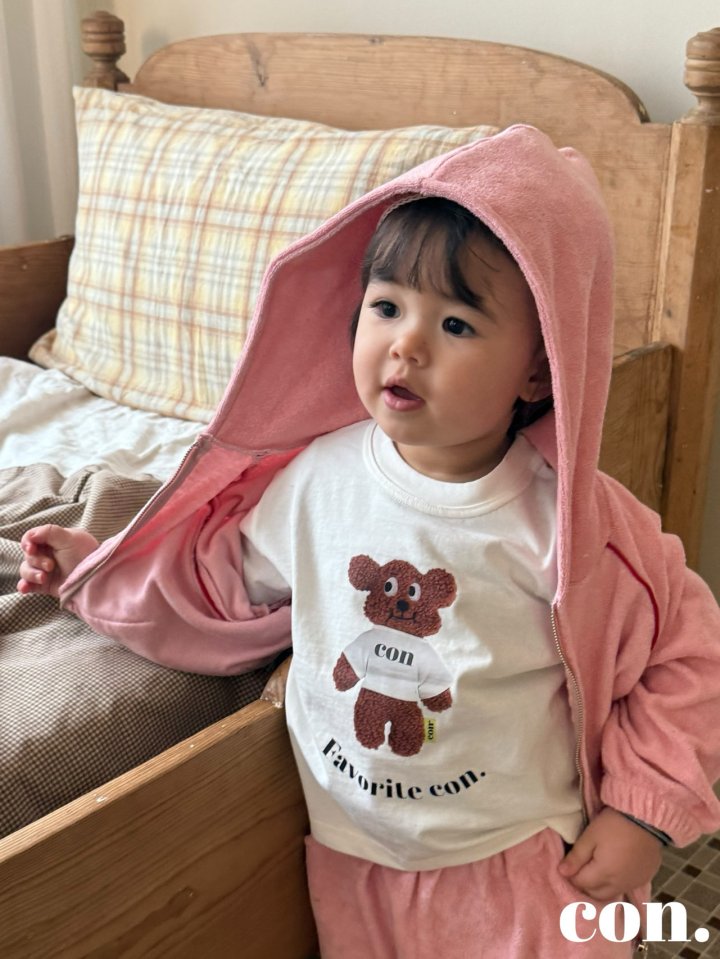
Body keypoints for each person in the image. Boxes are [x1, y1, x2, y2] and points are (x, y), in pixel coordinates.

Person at [18, 126, 720, 957]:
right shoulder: (316, 478)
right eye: (386, 306)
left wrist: (642, 810)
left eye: (456, 324)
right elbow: (223, 583)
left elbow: (691, 652)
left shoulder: (570, 526)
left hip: (521, 865)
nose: (406, 344)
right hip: (354, 858)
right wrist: (99, 565)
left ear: (540, 368)